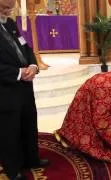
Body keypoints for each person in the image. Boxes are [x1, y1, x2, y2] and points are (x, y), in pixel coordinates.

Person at [0, 0, 49, 179]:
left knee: (28, 123)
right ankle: (13, 169)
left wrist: (33, 65)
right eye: (3, 8)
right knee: (9, 130)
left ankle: (31, 159)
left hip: (25, 86)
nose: (7, 11)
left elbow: (25, 47)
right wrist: (18, 73)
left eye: (10, 8)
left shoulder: (11, 23)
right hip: (6, 89)